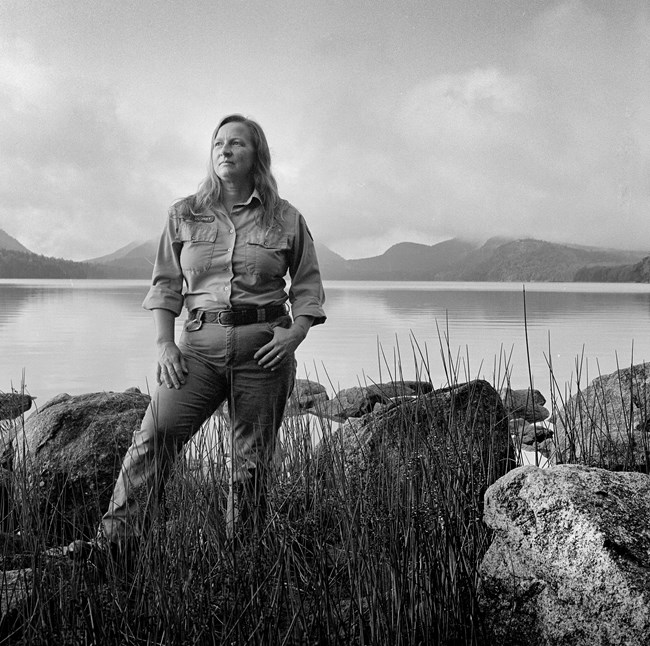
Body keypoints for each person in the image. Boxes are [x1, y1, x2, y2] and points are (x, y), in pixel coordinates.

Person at [71, 114, 325, 559]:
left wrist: (295, 334)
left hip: (264, 353)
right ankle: (114, 546)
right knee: (153, 439)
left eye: (237, 143)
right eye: (218, 143)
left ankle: (241, 556)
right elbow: (166, 285)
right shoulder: (183, 213)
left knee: (251, 461)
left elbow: (307, 287)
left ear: (256, 155)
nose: (225, 150)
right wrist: (164, 343)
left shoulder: (286, 218)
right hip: (197, 351)